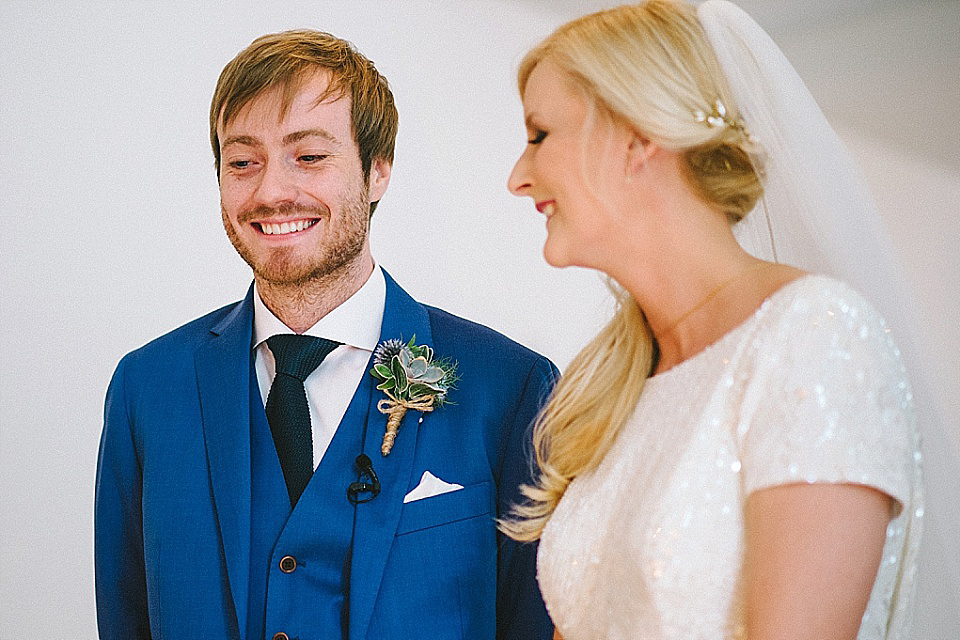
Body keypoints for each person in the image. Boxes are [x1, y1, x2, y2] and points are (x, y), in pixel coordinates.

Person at [500, 1, 957, 638]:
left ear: (639, 137)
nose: (518, 178)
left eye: (540, 134)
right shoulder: (609, 387)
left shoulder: (813, 335)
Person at [95, 29, 556, 640]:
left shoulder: (511, 388)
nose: (271, 192)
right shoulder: (146, 389)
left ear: (378, 172)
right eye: (242, 162)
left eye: (309, 156)